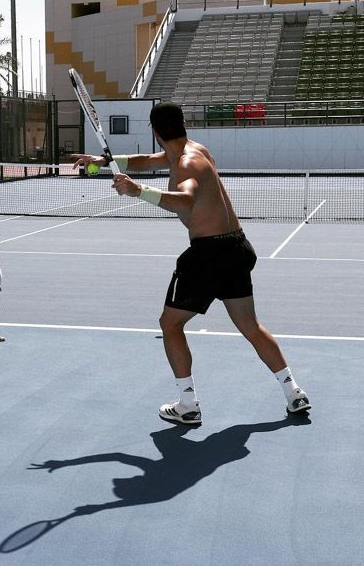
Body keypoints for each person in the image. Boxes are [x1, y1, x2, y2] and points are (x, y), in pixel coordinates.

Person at [73, 102, 310, 425]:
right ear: (182, 125)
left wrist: (137, 189)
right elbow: (151, 160)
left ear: (154, 132)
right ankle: (293, 391)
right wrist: (106, 162)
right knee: (251, 327)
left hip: (207, 255)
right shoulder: (196, 151)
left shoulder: (184, 166)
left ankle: (188, 404)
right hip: (237, 248)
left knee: (170, 324)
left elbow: (185, 199)